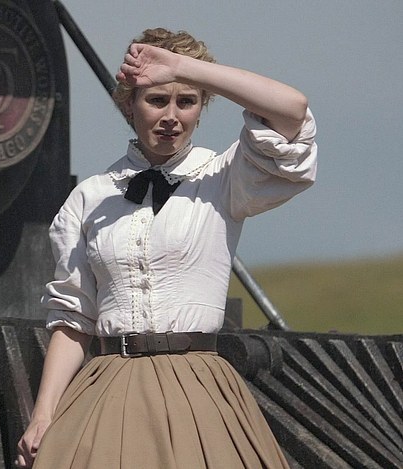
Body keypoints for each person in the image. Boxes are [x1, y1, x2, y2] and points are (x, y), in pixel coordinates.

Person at [16, 28, 316, 468]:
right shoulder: (90, 197)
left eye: (187, 101)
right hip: (108, 388)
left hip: (198, 388)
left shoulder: (223, 177)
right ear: (129, 105)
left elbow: (292, 110)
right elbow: (74, 318)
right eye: (157, 100)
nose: (171, 116)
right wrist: (43, 415)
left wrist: (182, 68)